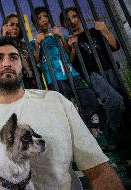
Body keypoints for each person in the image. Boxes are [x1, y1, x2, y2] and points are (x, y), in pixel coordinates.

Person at [0, 36, 124, 190]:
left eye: (13, 57)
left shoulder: (56, 101)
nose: (7, 63)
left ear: (22, 65)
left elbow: (96, 166)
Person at [60, 7, 125, 151]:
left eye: (74, 16)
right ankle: (110, 136)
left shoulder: (95, 31)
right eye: (67, 19)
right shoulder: (71, 41)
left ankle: (119, 136)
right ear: (64, 25)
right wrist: (72, 49)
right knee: (114, 100)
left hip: (110, 68)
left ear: (80, 17)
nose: (72, 21)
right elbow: (71, 64)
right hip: (92, 73)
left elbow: (115, 46)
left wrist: (105, 30)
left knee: (123, 102)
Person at [29, 7, 102, 131]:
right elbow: (35, 62)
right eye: (39, 18)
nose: (44, 20)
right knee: (65, 108)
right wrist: (37, 44)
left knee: (89, 96)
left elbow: (69, 56)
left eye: (45, 16)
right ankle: (75, 135)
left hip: (72, 73)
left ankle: (94, 130)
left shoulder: (58, 35)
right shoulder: (33, 42)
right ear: (35, 23)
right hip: (55, 79)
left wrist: (62, 38)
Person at [1, 13, 37, 89]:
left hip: (31, 82)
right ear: (5, 27)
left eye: (18, 25)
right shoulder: (1, 45)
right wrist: (4, 36)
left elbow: (34, 63)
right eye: (12, 25)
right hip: (14, 83)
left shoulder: (25, 45)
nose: (15, 27)